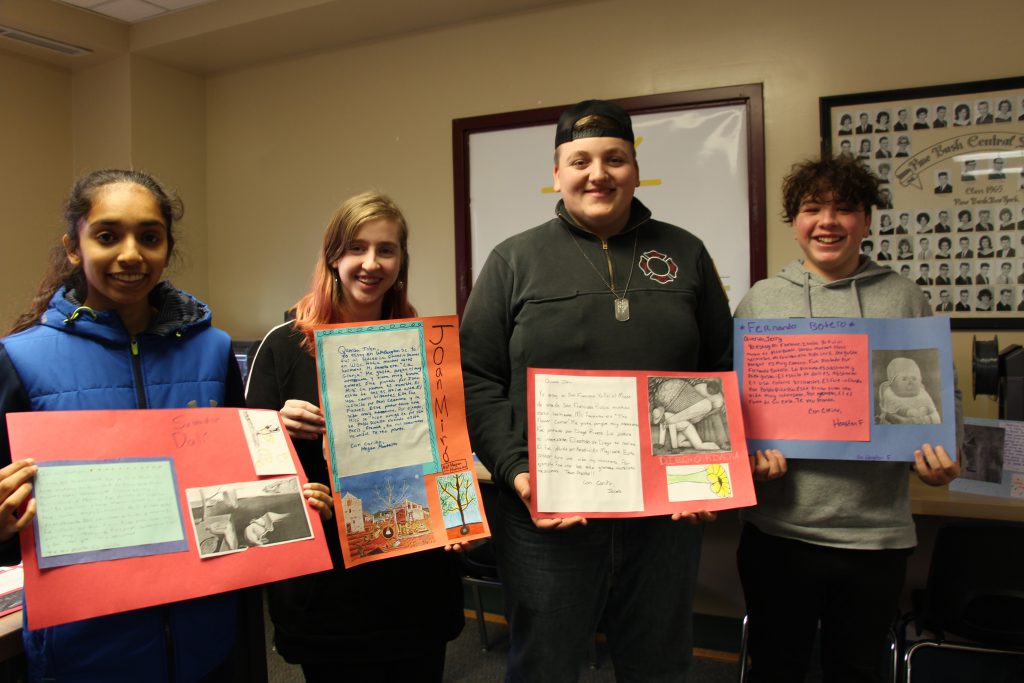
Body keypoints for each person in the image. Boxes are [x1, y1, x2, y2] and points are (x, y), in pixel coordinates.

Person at [460, 99, 731, 682]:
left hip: (665, 519)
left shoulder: (687, 254)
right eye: (579, 160)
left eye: (615, 159)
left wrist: (710, 473)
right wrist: (516, 471)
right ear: (556, 174)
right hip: (548, 514)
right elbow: (475, 378)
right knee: (545, 665)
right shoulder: (513, 260)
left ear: (636, 169)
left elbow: (719, 369)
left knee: (659, 663)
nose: (597, 173)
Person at [0, 169, 261, 682]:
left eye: (149, 236)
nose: (130, 253)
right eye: (106, 235)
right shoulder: (19, 359)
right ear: (74, 248)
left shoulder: (212, 350)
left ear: (167, 247)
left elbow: (240, 477)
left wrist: (288, 497)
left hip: (203, 640)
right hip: (85, 652)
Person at [735, 156, 960, 683]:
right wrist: (746, 462)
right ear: (795, 222)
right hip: (779, 531)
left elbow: (940, 398)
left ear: (867, 220)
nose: (828, 221)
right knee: (776, 666)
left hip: (874, 535)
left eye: (845, 209)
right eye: (813, 209)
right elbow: (736, 409)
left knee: (857, 670)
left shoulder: (903, 296)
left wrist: (941, 459)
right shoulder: (761, 301)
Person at [244, 191, 464, 682]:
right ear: (333, 257)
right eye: (356, 248)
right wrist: (275, 422)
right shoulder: (284, 346)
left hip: (415, 579)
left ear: (401, 260)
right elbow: (245, 459)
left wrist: (461, 519)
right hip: (327, 589)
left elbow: (449, 448)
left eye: (386, 250)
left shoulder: (426, 345)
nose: (371, 263)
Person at [878, 357, 941, 424]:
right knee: (898, 412)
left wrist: (927, 409)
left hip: (921, 415)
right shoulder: (890, 393)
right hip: (902, 414)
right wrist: (909, 412)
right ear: (893, 385)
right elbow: (894, 407)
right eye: (904, 379)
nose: (910, 381)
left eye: (914, 378)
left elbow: (930, 405)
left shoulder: (921, 392)